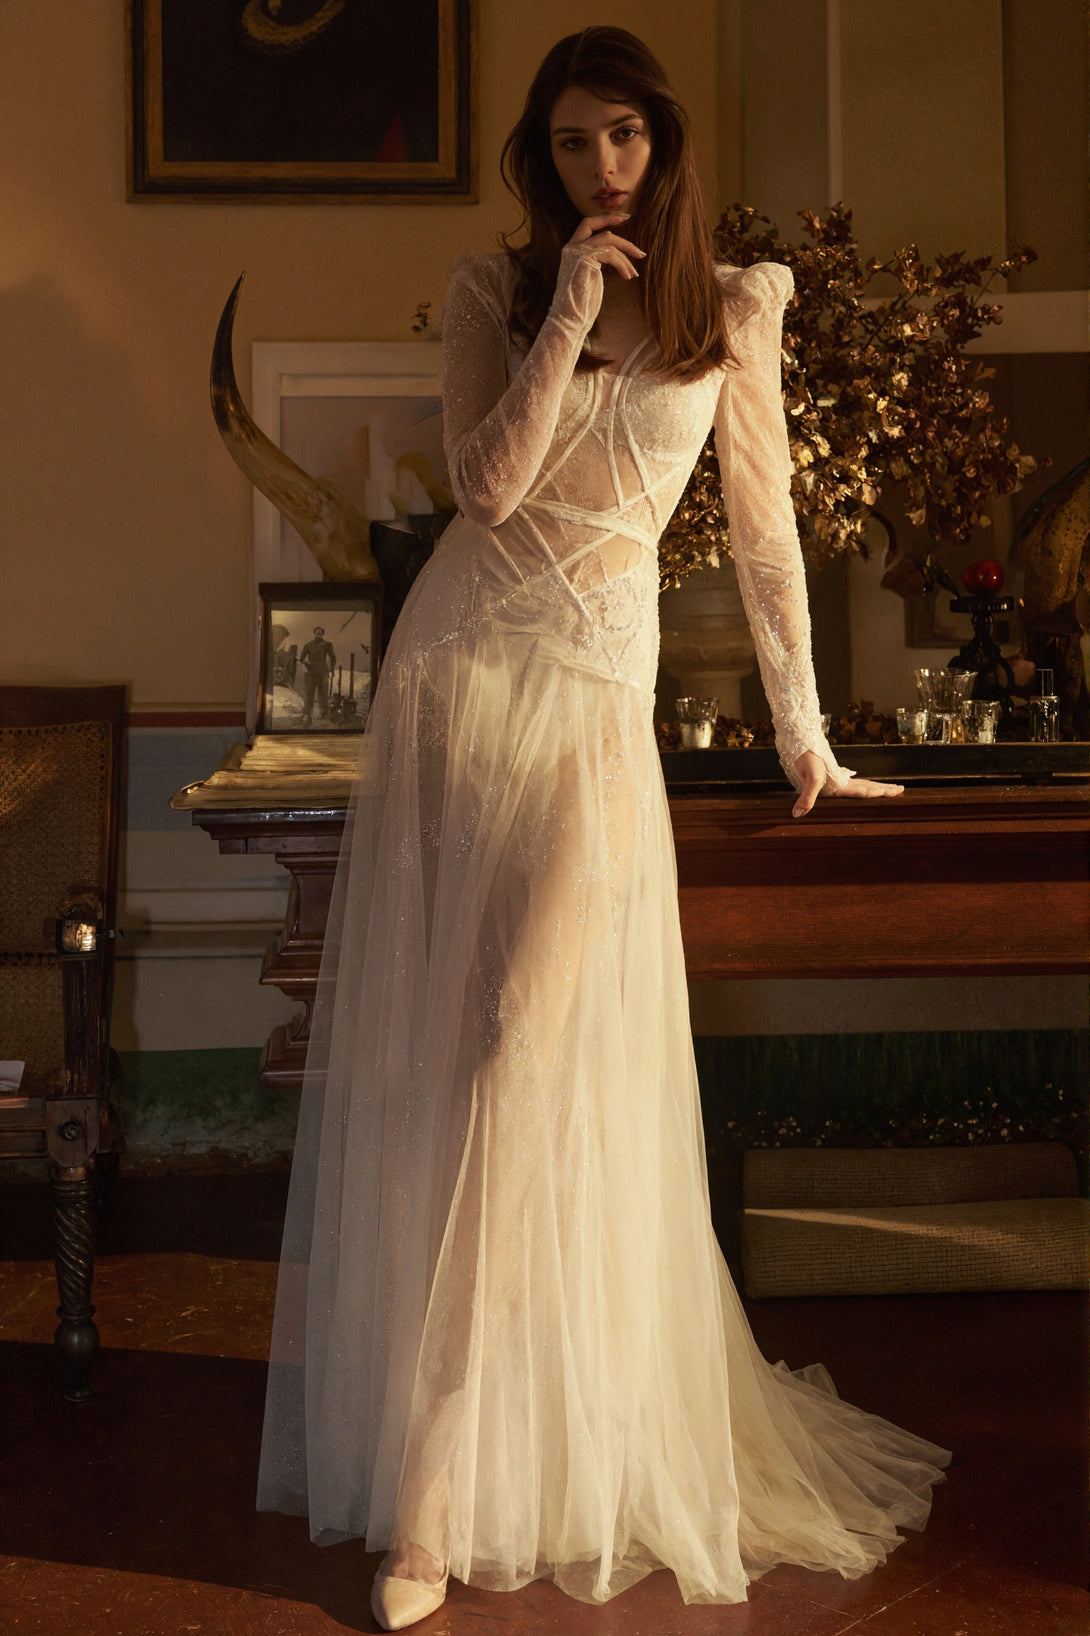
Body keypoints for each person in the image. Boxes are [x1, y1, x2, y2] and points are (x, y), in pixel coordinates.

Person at [257, 27, 950, 1632]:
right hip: (453, 678)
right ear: (540, 158)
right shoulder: (492, 292)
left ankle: (435, 1486)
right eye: (570, 146)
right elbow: (487, 492)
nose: (600, 171)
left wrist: (804, 736)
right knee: (445, 1061)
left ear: (665, 141)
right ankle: (435, 1481)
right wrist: (564, 308)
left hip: (586, 700)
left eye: (621, 139)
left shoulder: (737, 307)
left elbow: (766, 540)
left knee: (516, 1045)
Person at [298, 625, 337, 725]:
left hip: (323, 673)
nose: (318, 634)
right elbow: (301, 658)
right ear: (314, 633)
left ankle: (324, 714)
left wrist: (331, 670)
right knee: (309, 694)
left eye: (320, 632)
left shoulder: (327, 644)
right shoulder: (308, 645)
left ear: (322, 633)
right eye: (317, 632)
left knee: (323, 694)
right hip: (311, 673)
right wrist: (307, 665)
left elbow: (333, 658)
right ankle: (307, 714)